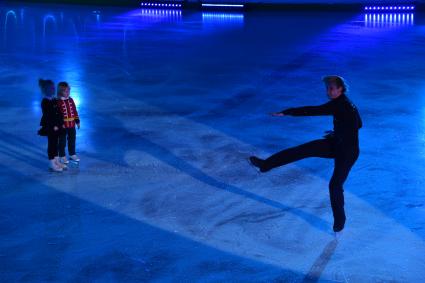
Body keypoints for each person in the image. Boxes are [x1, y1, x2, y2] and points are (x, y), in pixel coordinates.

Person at [249, 75, 362, 234]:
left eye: (331, 88)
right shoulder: (344, 104)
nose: (328, 91)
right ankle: (265, 165)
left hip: (348, 152)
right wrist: (339, 134)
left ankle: (340, 221)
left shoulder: (343, 105)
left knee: (335, 185)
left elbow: (313, 110)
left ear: (340, 89)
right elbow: (358, 123)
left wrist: (289, 112)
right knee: (302, 150)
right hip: (337, 144)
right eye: (327, 88)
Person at [38, 79, 66, 172]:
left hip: (57, 126)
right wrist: (53, 126)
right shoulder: (45, 102)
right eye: (52, 88)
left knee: (56, 144)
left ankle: (57, 161)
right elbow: (48, 116)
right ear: (46, 89)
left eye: (54, 87)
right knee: (52, 144)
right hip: (50, 127)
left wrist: (62, 123)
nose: (54, 89)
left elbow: (59, 113)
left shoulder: (54, 100)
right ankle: (52, 163)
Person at [57, 81, 80, 164]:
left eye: (68, 91)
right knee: (62, 141)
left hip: (72, 125)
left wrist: (77, 120)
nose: (68, 93)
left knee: (72, 139)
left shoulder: (71, 100)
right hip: (63, 126)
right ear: (60, 91)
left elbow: (74, 111)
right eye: (66, 91)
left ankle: (72, 154)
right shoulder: (58, 102)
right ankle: (62, 155)